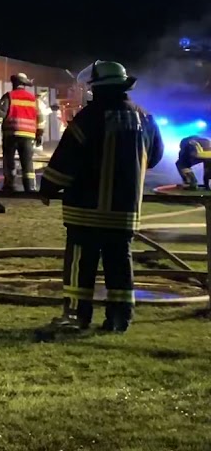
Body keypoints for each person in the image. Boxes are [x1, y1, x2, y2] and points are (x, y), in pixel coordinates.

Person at [39, 61, 163, 333]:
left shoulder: (89, 117)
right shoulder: (146, 118)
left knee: (80, 265)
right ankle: (119, 320)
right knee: (120, 265)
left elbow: (66, 160)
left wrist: (47, 187)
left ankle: (75, 316)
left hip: (86, 210)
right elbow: (153, 158)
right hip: (125, 212)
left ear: (97, 89)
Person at [0, 73, 45, 191]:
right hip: (28, 136)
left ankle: (10, 184)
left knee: (9, 160)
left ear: (14, 83)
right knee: (27, 162)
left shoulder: (9, 96)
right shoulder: (33, 99)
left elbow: (0, 113)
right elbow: (40, 117)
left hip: (11, 134)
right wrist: (40, 134)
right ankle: (30, 187)